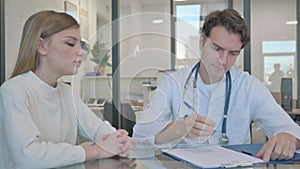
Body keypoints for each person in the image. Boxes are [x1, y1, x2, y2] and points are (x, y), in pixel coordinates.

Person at [133, 8, 300, 162]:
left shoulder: (249, 87)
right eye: (217, 49)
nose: (223, 60)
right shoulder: (173, 83)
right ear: (201, 42)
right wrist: (179, 128)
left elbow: (291, 130)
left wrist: (289, 138)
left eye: (232, 53)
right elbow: (140, 134)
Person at [0, 10, 134, 169]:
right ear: (42, 46)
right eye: (71, 44)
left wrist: (118, 140)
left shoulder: (66, 92)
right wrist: (96, 150)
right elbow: (29, 155)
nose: (81, 52)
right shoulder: (14, 90)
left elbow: (98, 128)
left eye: (81, 44)